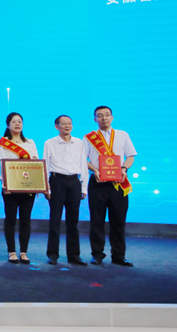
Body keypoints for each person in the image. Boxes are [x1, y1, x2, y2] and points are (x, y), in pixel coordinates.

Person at [84, 106, 137, 267]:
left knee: (118, 220)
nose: (104, 118)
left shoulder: (122, 135)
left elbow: (130, 156)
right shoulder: (89, 138)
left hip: (118, 183)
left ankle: (119, 255)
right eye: (100, 116)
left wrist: (124, 168)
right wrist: (95, 170)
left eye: (107, 115)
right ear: (95, 119)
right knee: (97, 221)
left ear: (112, 117)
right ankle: (97, 254)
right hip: (97, 182)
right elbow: (82, 159)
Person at [43, 115, 88, 266]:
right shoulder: (49, 143)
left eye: (69, 123)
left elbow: (83, 164)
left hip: (74, 182)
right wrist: (46, 187)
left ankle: (74, 255)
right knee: (55, 220)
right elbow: (45, 165)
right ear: (57, 126)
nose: (67, 126)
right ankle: (53, 254)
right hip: (57, 181)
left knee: (73, 221)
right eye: (64, 124)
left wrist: (84, 186)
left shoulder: (79, 143)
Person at [0, 112, 38, 265]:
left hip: (28, 187)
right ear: (8, 125)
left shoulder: (30, 143)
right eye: (14, 121)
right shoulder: (3, 143)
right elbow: (3, 165)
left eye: (20, 121)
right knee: (10, 219)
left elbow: (35, 165)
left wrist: (37, 185)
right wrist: (5, 185)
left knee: (26, 220)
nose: (17, 124)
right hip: (10, 188)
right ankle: (12, 252)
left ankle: (24, 252)